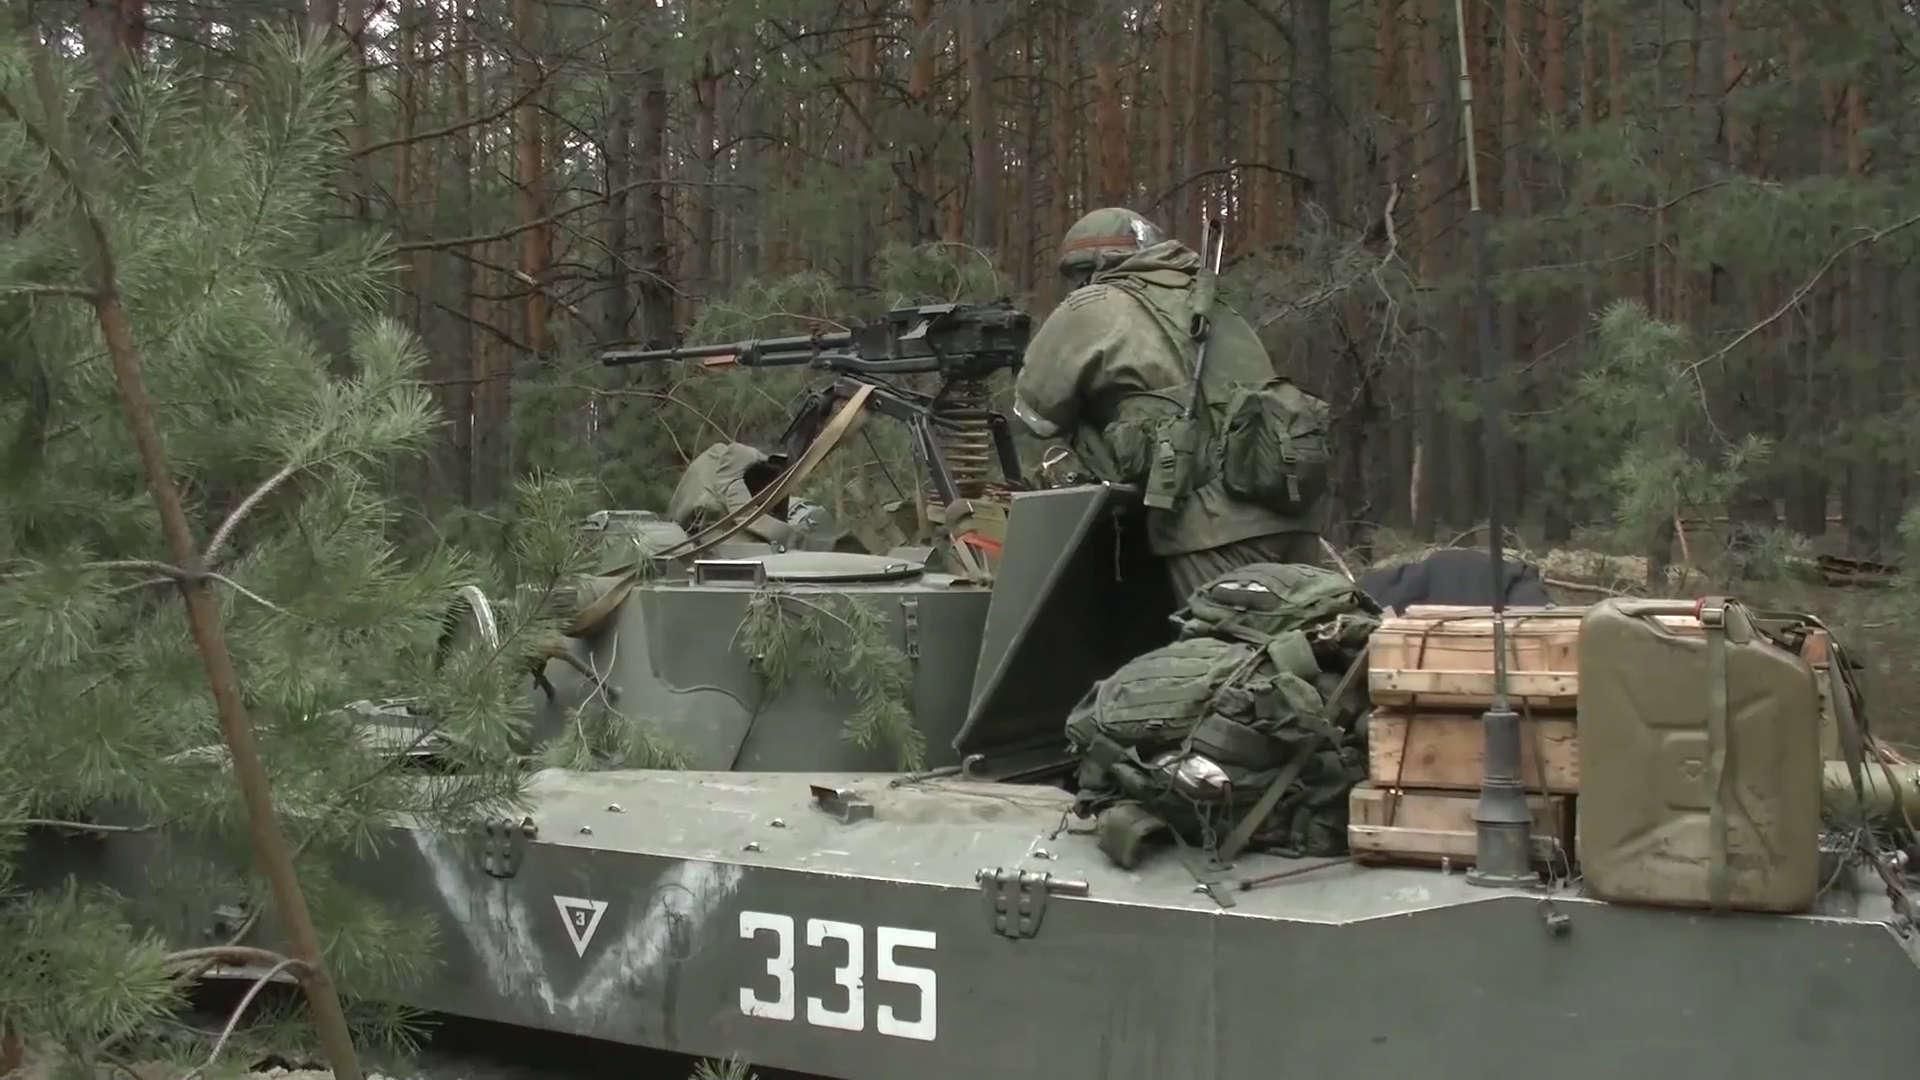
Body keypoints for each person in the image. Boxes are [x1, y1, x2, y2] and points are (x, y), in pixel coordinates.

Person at [1012, 207, 1326, 599]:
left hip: (1211, 531)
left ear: (1084, 270)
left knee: (1229, 655)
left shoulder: (1093, 305)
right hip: (1294, 516)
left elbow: (1036, 414)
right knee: (1309, 648)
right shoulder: (1210, 302)